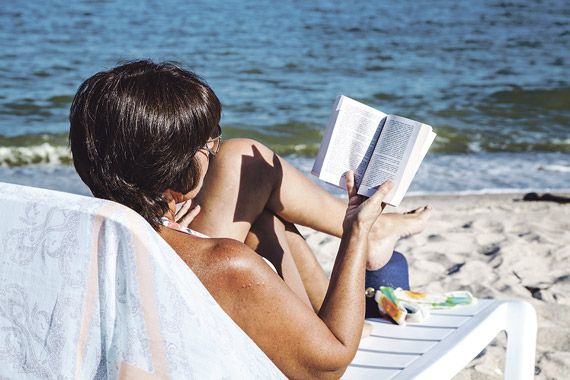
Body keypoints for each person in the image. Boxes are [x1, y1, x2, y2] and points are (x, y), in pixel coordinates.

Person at [69, 60, 431, 378]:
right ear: (177, 174)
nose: (216, 151)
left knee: (265, 224)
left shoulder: (71, 234)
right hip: (311, 360)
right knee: (258, 197)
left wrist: (169, 219)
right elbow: (330, 367)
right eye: (210, 146)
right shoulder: (225, 263)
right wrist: (355, 229)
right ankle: (369, 245)